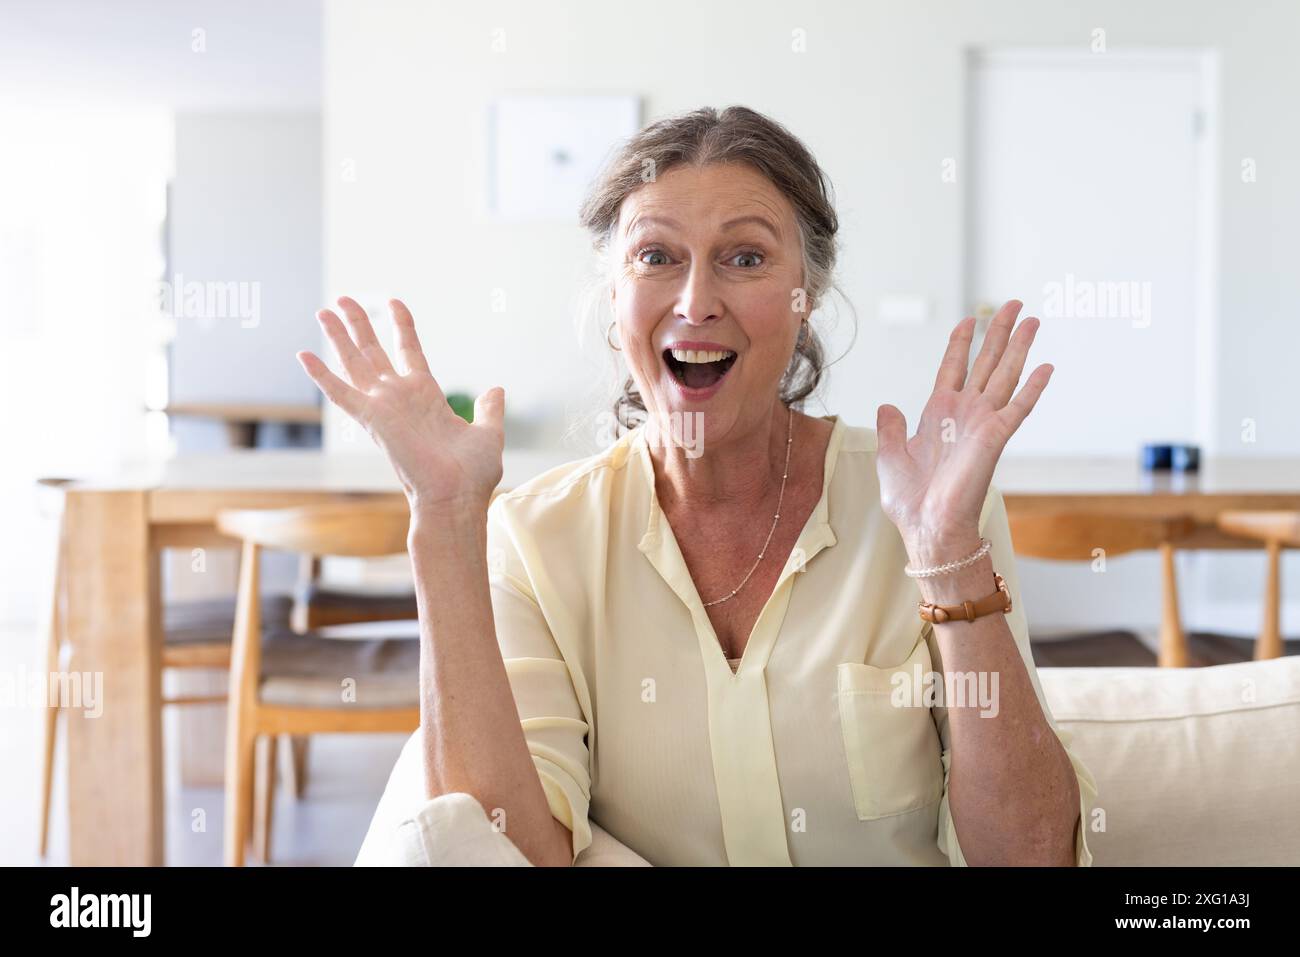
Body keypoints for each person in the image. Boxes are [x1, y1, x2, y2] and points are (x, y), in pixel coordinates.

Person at [299, 105, 1097, 867]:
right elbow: (511, 849)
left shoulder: (927, 510)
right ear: (616, 300)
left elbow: (1030, 855)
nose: (696, 301)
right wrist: (443, 520)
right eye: (656, 257)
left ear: (806, 296)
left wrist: (947, 553)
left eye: (745, 257)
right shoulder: (538, 539)